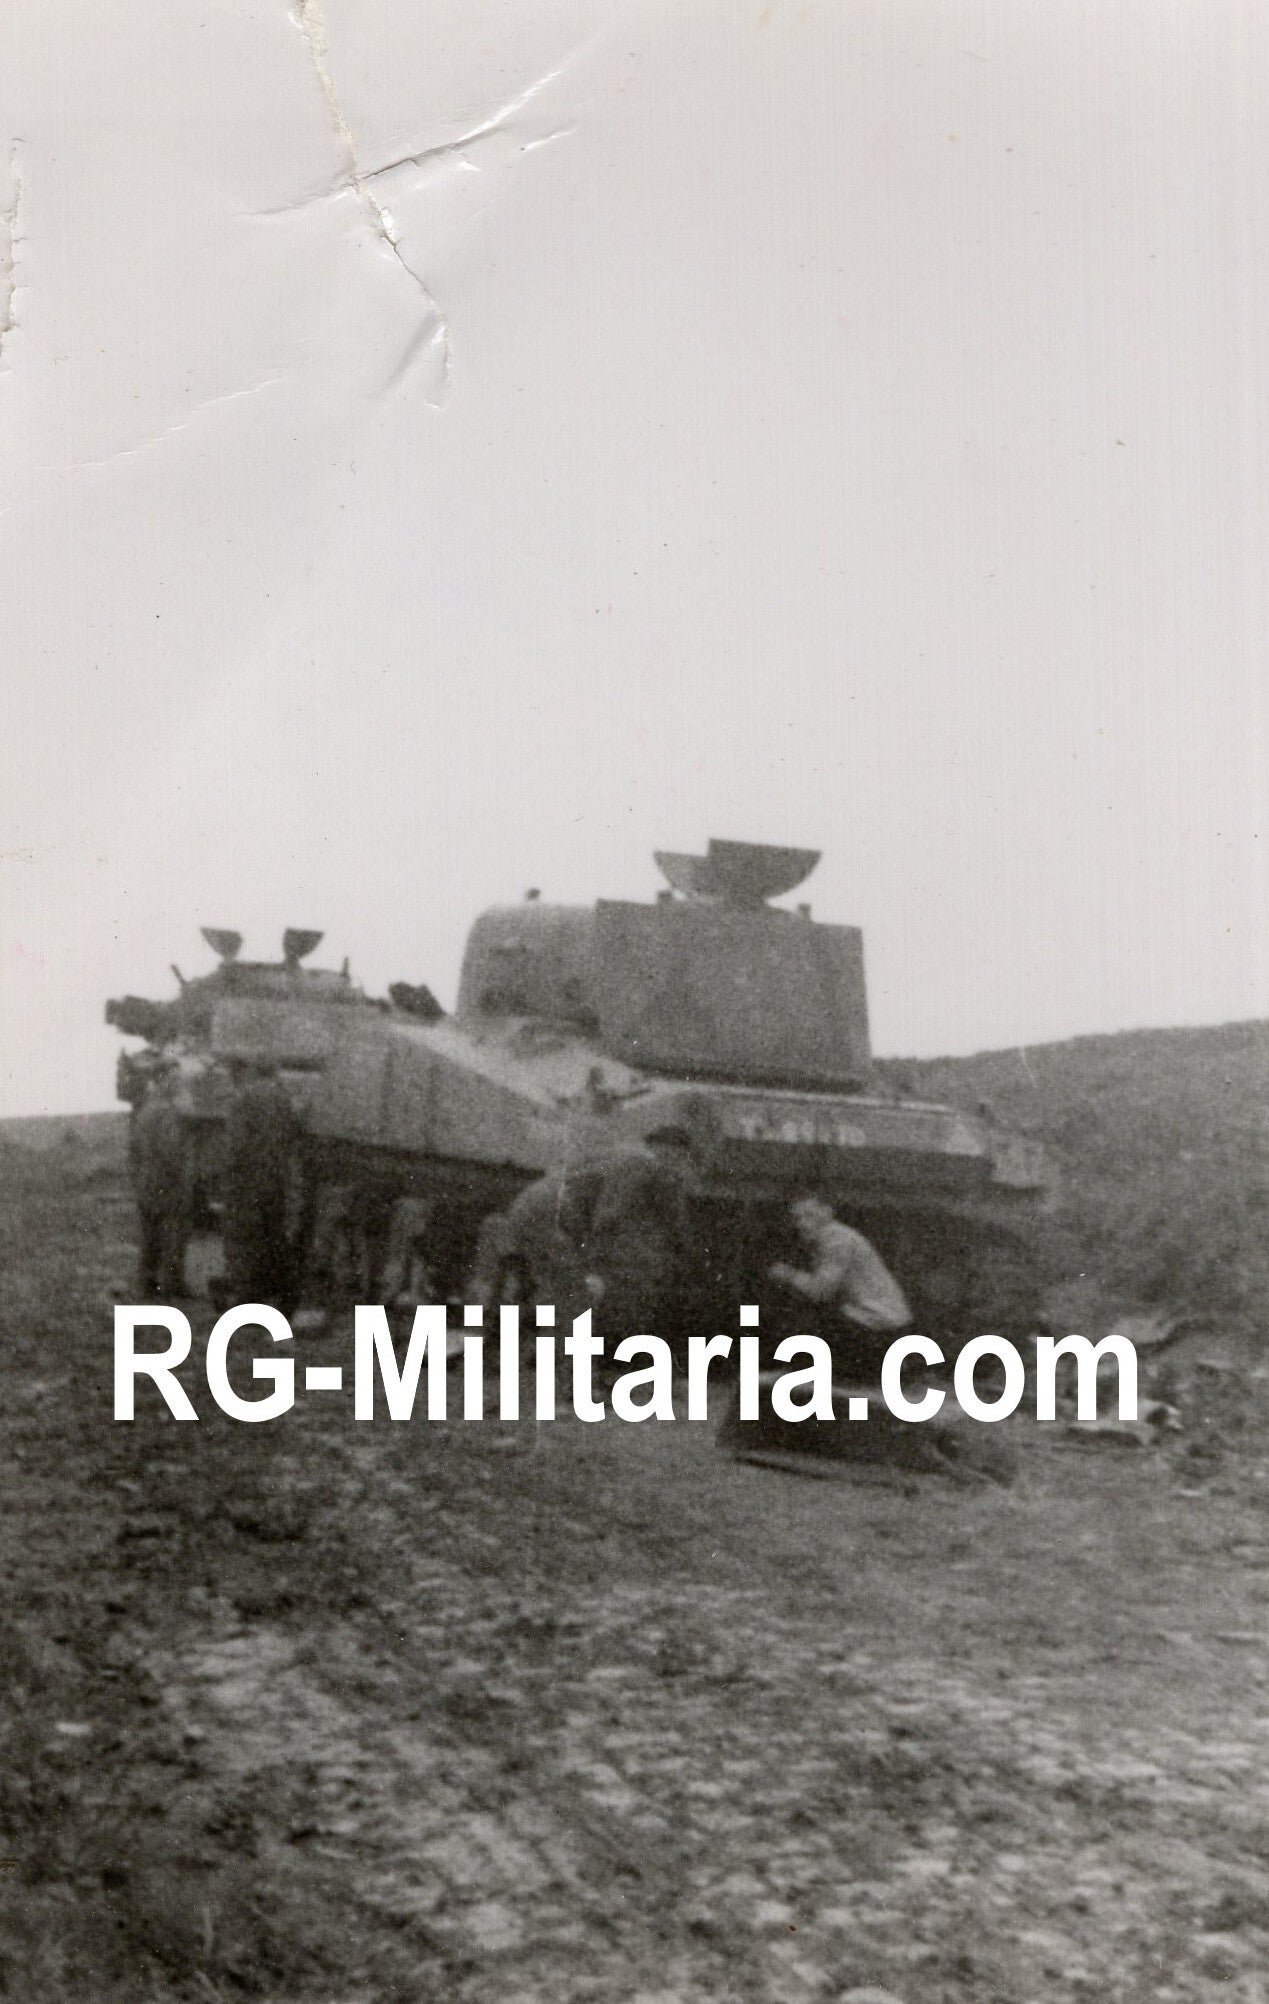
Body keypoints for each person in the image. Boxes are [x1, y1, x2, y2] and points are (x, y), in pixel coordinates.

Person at [768, 1196, 911, 1381]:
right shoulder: (830, 1239)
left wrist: (789, 1275)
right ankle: (797, 1368)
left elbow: (820, 1292)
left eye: (809, 1215)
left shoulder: (837, 1240)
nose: (802, 1224)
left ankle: (797, 1370)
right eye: (797, 1218)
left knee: (805, 1308)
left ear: (827, 1212)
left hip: (880, 1327)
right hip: (878, 1324)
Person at [585, 1125, 699, 1353]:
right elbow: (676, 1219)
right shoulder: (661, 1171)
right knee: (635, 1310)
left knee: (606, 1305)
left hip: (610, 1248)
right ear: (672, 1150)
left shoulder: (623, 1165)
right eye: (680, 1155)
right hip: (639, 1254)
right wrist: (689, 1249)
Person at [221, 1059, 303, 1308]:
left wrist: (228, 1174)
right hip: (275, 1177)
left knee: (245, 1236)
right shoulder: (283, 1098)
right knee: (274, 1234)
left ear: (252, 1072)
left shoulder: (243, 1098)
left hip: (248, 1179)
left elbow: (235, 1145)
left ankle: (248, 1296)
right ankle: (283, 1293)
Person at [131, 1062, 193, 1299]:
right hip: (166, 1180)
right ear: (162, 1080)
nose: (177, 1083)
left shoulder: (146, 1109)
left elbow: (135, 1148)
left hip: (147, 1177)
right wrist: (183, 1174)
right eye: (173, 1079)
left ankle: (147, 1283)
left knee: (150, 1234)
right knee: (174, 1231)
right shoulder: (167, 1112)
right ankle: (173, 1285)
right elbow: (171, 1150)